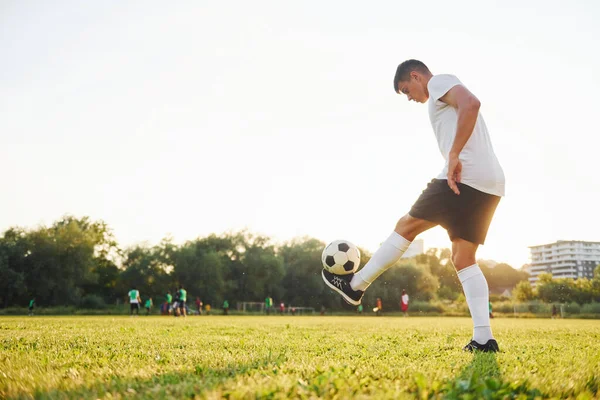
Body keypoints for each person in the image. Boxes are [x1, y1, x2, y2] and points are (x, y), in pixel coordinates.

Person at [322, 59, 505, 353]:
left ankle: (355, 286)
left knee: (406, 226)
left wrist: (455, 155)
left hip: (463, 175)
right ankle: (484, 338)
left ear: (417, 76)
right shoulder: (439, 93)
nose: (409, 98)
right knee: (463, 258)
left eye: (407, 89)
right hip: (489, 183)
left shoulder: (438, 82)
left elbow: (472, 103)